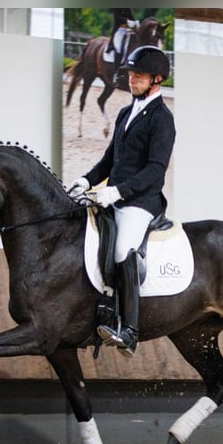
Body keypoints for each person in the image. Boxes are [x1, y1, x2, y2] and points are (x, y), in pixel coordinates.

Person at [67, 46, 175, 357]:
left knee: (121, 248)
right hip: (114, 195)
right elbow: (109, 158)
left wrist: (118, 192)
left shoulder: (163, 119)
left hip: (141, 202)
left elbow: (156, 171)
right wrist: (86, 180)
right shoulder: (127, 112)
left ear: (156, 79)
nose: (131, 79)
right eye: (130, 74)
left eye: (138, 75)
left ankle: (129, 330)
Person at [106, 8, 139, 84]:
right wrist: (127, 21)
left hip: (128, 31)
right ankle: (115, 73)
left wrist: (135, 22)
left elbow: (131, 17)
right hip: (119, 31)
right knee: (118, 49)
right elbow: (117, 18)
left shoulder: (128, 8)